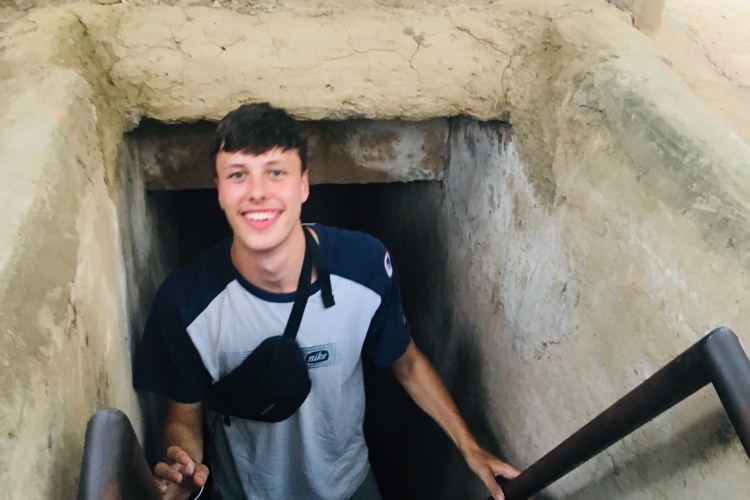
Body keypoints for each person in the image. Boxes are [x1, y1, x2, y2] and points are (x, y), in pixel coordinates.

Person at [133, 103, 520, 500]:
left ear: (303, 185)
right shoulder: (187, 301)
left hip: (348, 485)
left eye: (275, 172)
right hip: (245, 492)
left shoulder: (364, 266)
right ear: (218, 190)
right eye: (238, 175)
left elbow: (406, 362)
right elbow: (184, 413)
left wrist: (470, 448)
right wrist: (184, 466)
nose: (257, 191)